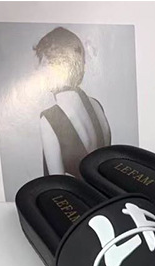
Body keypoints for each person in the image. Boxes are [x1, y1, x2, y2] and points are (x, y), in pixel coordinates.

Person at [34, 27, 111, 180]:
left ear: (53, 64)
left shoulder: (50, 119)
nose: (37, 70)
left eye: (41, 62)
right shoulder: (97, 105)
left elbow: (58, 185)